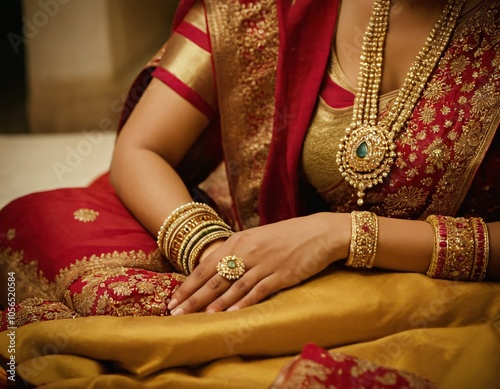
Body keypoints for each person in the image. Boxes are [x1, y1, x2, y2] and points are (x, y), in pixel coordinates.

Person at [0, 0, 498, 387]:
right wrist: (212, 251)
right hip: (270, 245)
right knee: (40, 219)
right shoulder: (267, 9)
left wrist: (341, 234)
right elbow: (142, 148)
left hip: (433, 285)